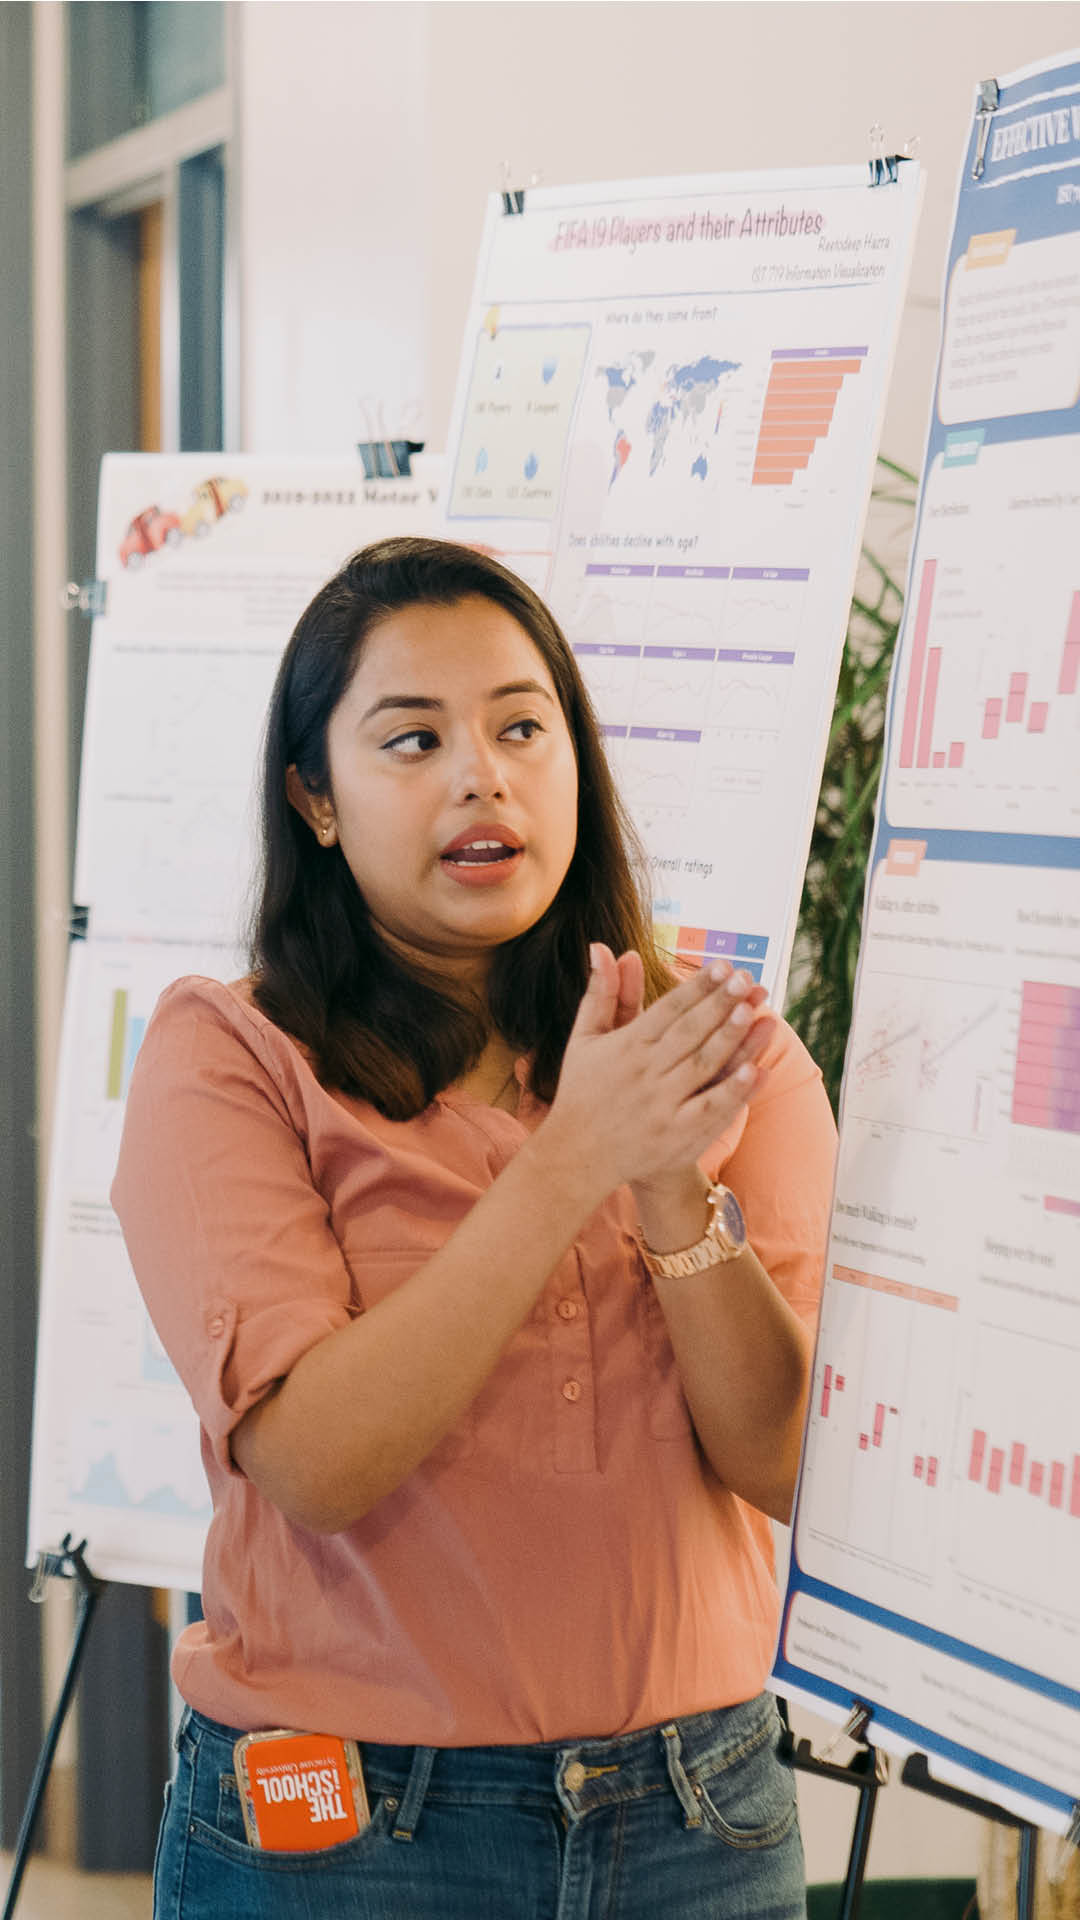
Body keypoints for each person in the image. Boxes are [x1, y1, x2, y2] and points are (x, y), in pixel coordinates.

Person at [112, 536, 837, 1920]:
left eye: (522, 725)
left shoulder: (724, 1057)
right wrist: (571, 1166)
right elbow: (316, 1462)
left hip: (700, 1826)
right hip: (349, 1833)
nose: (481, 775)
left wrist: (673, 1188)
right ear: (314, 799)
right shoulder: (232, 1058)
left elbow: (786, 1464)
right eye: (412, 740)